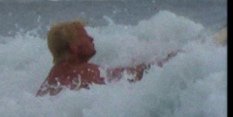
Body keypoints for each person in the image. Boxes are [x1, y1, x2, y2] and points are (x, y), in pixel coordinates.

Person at [37, 20, 171, 96]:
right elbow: (126, 76)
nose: (91, 38)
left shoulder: (52, 77)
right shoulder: (83, 71)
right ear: (74, 47)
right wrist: (167, 62)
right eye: (85, 36)